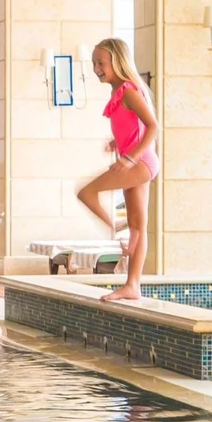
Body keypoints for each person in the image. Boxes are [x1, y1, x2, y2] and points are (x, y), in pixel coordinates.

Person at [77, 39, 157, 301]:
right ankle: (132, 285)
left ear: (117, 62)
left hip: (140, 163)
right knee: (138, 225)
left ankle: (114, 231)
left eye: (101, 63)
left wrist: (131, 157)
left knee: (87, 192)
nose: (96, 68)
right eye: (94, 63)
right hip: (137, 161)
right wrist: (118, 143)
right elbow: (134, 128)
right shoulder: (119, 93)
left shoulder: (130, 91)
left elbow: (154, 126)